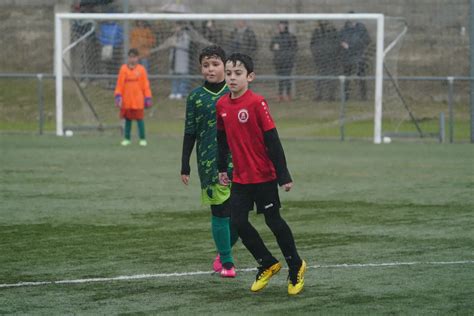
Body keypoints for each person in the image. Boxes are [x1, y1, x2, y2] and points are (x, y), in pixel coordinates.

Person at [216, 53, 306, 295]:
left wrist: (283, 175)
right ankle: (267, 262)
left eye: (238, 73)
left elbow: (273, 141)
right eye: (229, 73)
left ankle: (296, 265)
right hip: (240, 178)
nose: (232, 78)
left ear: (250, 77)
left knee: (273, 221)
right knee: (237, 222)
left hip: (264, 175)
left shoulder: (257, 103)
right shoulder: (222, 105)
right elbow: (222, 140)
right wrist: (222, 168)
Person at [181, 45, 238, 278]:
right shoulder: (195, 97)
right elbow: (190, 132)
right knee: (220, 211)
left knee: (241, 214)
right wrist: (185, 164)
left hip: (239, 160)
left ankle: (224, 250)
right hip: (209, 162)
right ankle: (227, 262)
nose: (210, 69)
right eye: (206, 65)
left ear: (225, 66)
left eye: (215, 64)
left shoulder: (235, 91)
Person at [114, 48, 152, 146]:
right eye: (131, 57)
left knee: (140, 119)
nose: (132, 59)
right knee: (128, 119)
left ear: (138, 58)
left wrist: (147, 97)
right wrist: (118, 95)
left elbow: (145, 85)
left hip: (138, 100)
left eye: (134, 57)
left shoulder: (141, 70)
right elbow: (119, 84)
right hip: (127, 100)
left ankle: (142, 139)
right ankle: (127, 138)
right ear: (128, 58)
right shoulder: (123, 69)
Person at [339, 14, 371, 101]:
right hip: (347, 57)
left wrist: (352, 46)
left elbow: (367, 40)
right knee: (346, 77)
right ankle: (346, 96)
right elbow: (339, 40)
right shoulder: (344, 29)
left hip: (359, 56)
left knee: (361, 76)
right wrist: (342, 44)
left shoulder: (361, 29)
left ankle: (363, 96)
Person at [310, 21, 340, 101]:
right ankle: (319, 95)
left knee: (331, 77)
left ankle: (331, 95)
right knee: (319, 77)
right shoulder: (316, 33)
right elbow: (312, 44)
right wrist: (316, 55)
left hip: (331, 59)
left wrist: (333, 54)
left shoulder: (333, 32)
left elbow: (337, 44)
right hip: (320, 59)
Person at [269, 21, 298, 102]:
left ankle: (288, 95)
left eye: (282, 25)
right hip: (278, 62)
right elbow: (271, 47)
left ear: (285, 26)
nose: (280, 27)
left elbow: (295, 48)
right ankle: (280, 95)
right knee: (280, 79)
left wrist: (287, 55)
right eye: (279, 25)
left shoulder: (291, 37)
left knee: (287, 79)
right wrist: (275, 48)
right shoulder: (276, 37)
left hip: (288, 62)